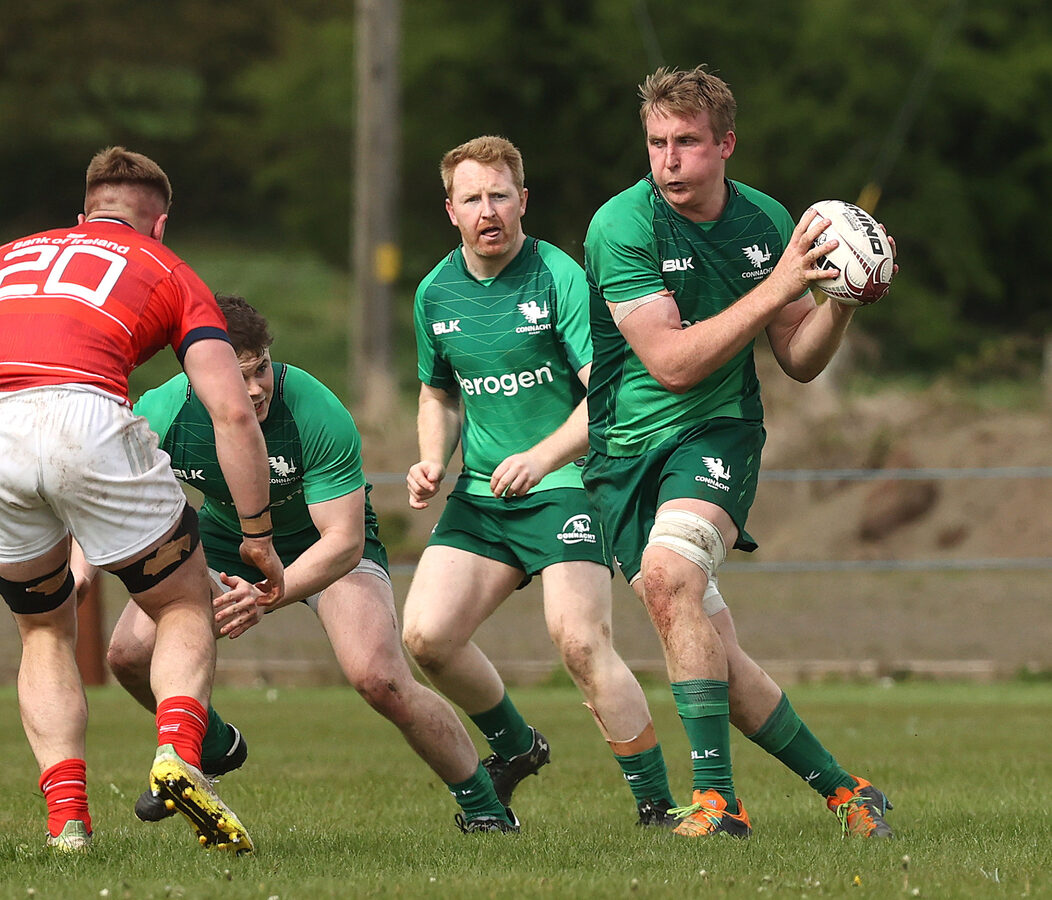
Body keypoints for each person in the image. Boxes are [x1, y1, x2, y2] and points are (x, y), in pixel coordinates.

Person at [0, 147, 283, 854]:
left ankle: (68, 823)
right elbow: (231, 410)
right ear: (159, 224)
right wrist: (256, 534)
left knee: (43, 631)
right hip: (86, 415)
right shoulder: (168, 268)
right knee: (182, 602)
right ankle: (178, 754)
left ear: (83, 215)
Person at [582, 65, 896, 839]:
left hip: (718, 433)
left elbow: (798, 358)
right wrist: (781, 283)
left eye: (687, 142)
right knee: (709, 643)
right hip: (623, 454)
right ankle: (849, 792)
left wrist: (841, 302)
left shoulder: (766, 221)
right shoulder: (621, 225)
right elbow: (671, 363)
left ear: (725, 144)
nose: (669, 160)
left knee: (669, 576)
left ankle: (718, 801)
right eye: (657, 142)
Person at [76, 293, 519, 834]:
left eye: (261, 368)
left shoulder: (313, 409)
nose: (256, 388)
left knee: (380, 679)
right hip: (225, 537)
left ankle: (486, 809)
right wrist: (80, 568)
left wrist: (268, 595)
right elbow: (107, 499)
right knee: (128, 654)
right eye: (239, 376)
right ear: (196, 375)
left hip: (322, 543)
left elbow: (344, 542)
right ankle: (211, 744)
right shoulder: (164, 413)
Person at [402, 135, 677, 831]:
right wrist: (432, 458)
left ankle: (657, 805)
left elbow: (606, 395)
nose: (487, 211)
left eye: (500, 195)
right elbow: (438, 392)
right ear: (450, 211)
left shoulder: (560, 277)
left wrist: (543, 457)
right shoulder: (435, 292)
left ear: (522, 200)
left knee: (579, 641)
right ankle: (517, 746)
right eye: (472, 199)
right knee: (427, 636)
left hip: (568, 483)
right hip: (484, 493)